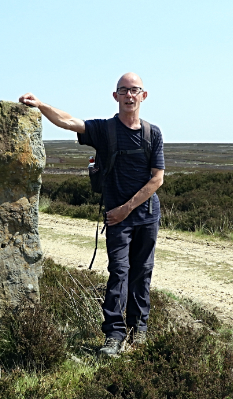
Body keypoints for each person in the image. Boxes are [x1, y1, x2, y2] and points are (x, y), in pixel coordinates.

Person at [19, 72, 165, 356]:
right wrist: (40, 104)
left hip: (144, 216)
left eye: (135, 90)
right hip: (117, 219)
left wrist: (126, 208)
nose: (129, 95)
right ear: (115, 96)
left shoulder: (153, 133)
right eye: (123, 90)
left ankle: (139, 331)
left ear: (143, 96)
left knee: (142, 273)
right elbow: (68, 121)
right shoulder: (105, 130)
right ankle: (114, 335)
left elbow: (157, 179)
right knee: (119, 272)